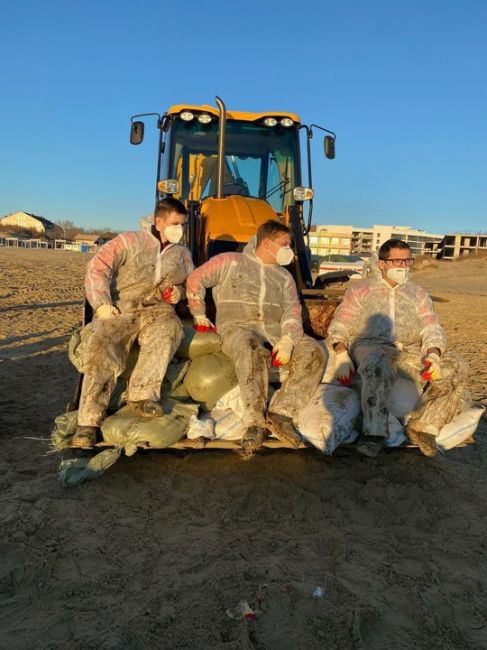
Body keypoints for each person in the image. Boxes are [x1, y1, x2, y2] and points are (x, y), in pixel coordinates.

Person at [186, 219, 326, 456]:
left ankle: (282, 412)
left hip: (274, 332)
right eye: (285, 244)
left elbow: (293, 310)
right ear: (268, 243)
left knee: (314, 351)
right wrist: (198, 313)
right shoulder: (230, 261)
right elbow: (196, 279)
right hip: (237, 328)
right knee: (250, 348)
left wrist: (289, 340)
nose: (289, 250)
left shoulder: (284, 277)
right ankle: (254, 422)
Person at [327, 239, 469, 458]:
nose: (403, 266)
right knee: (378, 365)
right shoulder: (361, 290)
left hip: (409, 350)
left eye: (407, 260)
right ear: (382, 263)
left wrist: (434, 354)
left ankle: (424, 427)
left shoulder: (417, 293)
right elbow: (340, 324)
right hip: (370, 346)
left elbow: (432, 326)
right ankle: (374, 433)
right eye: (397, 261)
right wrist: (341, 353)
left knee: (457, 365)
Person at [72, 197, 194, 448]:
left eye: (182, 224)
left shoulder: (182, 254)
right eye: (174, 223)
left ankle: (142, 395)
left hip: (157, 309)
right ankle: (88, 423)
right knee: (102, 346)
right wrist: (102, 303)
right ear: (158, 222)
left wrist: (178, 293)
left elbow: (188, 282)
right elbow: (98, 266)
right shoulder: (130, 241)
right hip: (122, 308)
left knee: (170, 329)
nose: (179, 229)